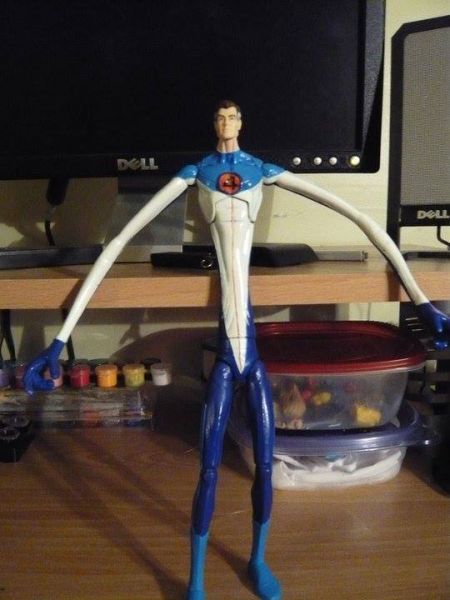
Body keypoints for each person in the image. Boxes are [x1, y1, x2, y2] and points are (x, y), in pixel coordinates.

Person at [24, 100, 450, 600]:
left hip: (253, 357)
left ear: (242, 123)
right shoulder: (196, 173)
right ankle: (197, 580)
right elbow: (118, 242)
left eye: (232, 117)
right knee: (207, 469)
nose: (226, 124)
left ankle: (257, 559)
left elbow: (361, 219)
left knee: (265, 465)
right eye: (220, 118)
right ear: (214, 124)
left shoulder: (262, 170)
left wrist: (422, 302)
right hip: (227, 358)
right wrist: (59, 340)